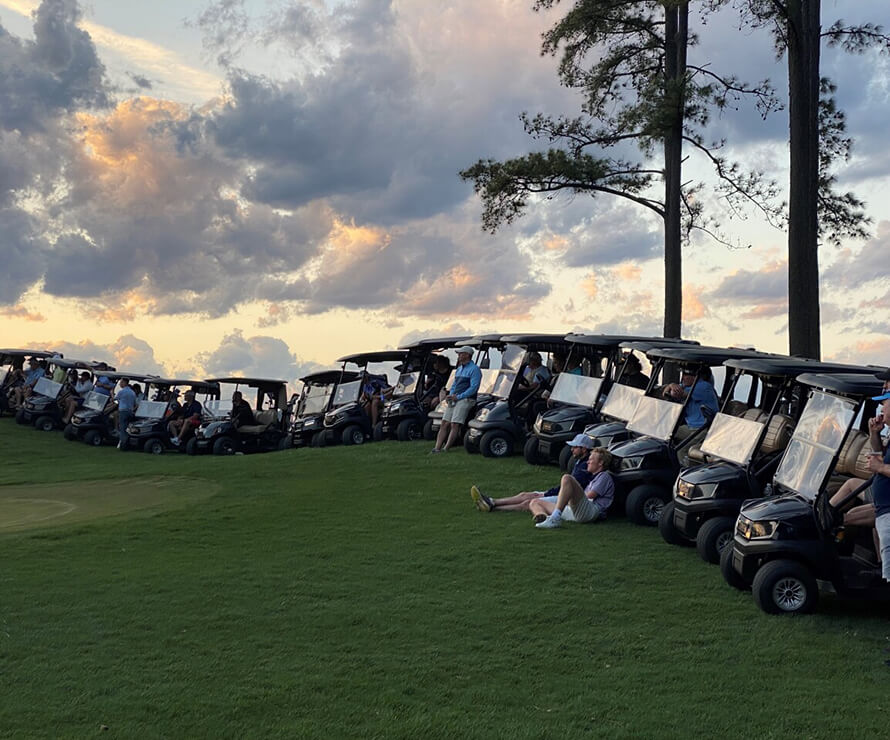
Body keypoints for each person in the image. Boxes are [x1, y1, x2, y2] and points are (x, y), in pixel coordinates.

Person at [471, 434, 596, 513]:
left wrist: (548, 493)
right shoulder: (581, 462)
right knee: (525, 494)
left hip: (569, 498)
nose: (572, 449)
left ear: (584, 449)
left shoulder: (586, 466)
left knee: (528, 503)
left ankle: (494, 508)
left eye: (575, 447)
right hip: (563, 493)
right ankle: (492, 502)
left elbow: (571, 487)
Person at [530, 447, 615, 528]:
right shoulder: (592, 477)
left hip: (592, 511)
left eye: (591, 459)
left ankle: (555, 518)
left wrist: (569, 497)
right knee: (535, 502)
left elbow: (590, 496)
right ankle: (543, 518)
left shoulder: (604, 476)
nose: (587, 462)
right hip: (578, 511)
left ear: (600, 463)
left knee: (567, 478)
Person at [663, 365, 719, 465]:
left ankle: (682, 474)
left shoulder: (704, 386)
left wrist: (673, 387)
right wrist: (671, 385)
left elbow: (676, 394)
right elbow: (665, 393)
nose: (683, 377)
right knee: (664, 433)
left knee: (681, 451)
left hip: (701, 429)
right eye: (683, 374)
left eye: (687, 374)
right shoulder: (687, 386)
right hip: (690, 426)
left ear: (696, 377)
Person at [432, 346, 481, 453]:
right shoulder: (459, 369)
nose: (458, 356)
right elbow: (454, 384)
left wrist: (458, 396)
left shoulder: (474, 369)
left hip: (466, 399)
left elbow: (473, 388)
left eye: (461, 354)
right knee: (444, 422)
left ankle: (446, 448)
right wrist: (451, 394)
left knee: (455, 424)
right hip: (455, 398)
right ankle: (437, 447)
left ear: (467, 355)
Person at [115, 378, 137, 451]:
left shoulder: (121, 392)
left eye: (121, 382)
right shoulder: (132, 392)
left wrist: (112, 393)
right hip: (130, 411)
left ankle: (123, 445)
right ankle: (127, 443)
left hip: (123, 411)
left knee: (123, 428)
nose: (120, 384)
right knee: (128, 428)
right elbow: (135, 404)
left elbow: (114, 399)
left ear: (125, 383)